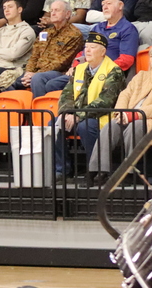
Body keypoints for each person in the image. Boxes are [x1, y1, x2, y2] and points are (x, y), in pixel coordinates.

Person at [89, 42, 152, 183]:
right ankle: (99, 170)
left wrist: (135, 114)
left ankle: (131, 171)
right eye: (151, 56)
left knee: (136, 126)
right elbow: (125, 94)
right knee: (111, 126)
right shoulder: (141, 76)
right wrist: (121, 113)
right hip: (129, 116)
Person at [54, 31, 126, 180]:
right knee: (54, 124)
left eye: (92, 47)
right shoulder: (79, 69)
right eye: (86, 47)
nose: (87, 50)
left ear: (103, 51)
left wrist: (78, 116)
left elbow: (106, 101)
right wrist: (66, 113)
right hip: (79, 115)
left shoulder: (114, 71)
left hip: (102, 116)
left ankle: (95, 169)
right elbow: (67, 94)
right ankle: (62, 170)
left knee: (85, 126)